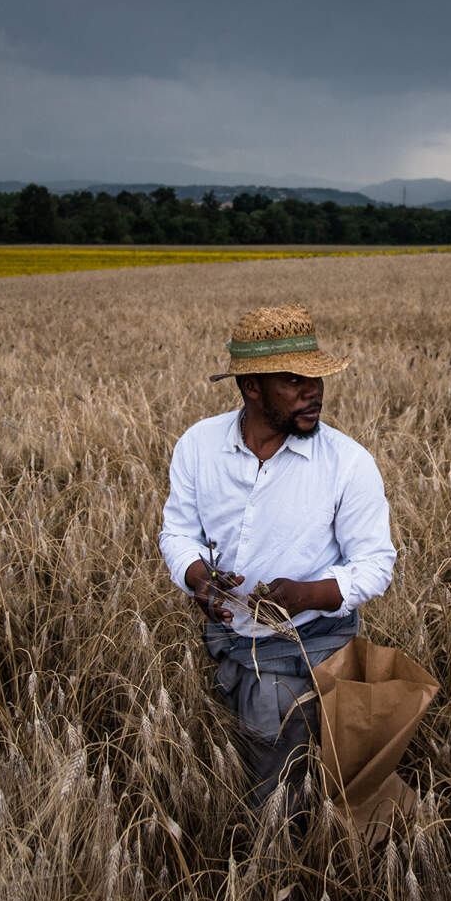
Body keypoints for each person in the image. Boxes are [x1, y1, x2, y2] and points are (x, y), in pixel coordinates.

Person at [159, 303, 396, 813]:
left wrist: (306, 595)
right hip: (225, 637)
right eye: (294, 380)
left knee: (274, 785)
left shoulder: (347, 463)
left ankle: (277, 867)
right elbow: (177, 532)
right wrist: (199, 577)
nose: (314, 392)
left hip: (311, 639)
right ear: (251, 387)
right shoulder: (198, 446)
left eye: (317, 379)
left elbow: (375, 565)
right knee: (237, 760)